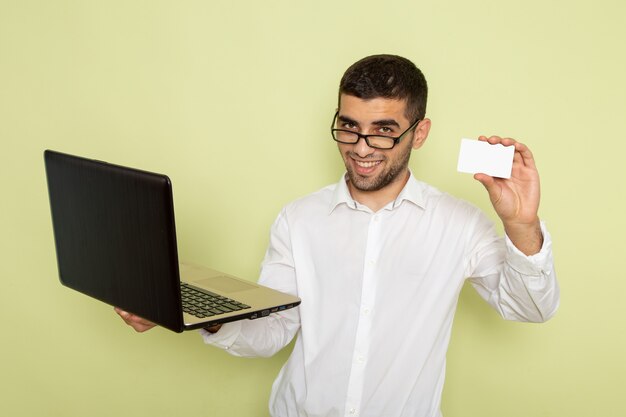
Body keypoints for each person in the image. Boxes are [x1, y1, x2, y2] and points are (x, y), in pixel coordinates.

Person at [117, 54, 559, 417]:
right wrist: (196, 312)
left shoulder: (460, 223)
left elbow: (532, 309)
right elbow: (272, 329)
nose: (361, 147)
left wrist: (521, 227)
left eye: (384, 131)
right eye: (349, 126)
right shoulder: (299, 218)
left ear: (418, 133)